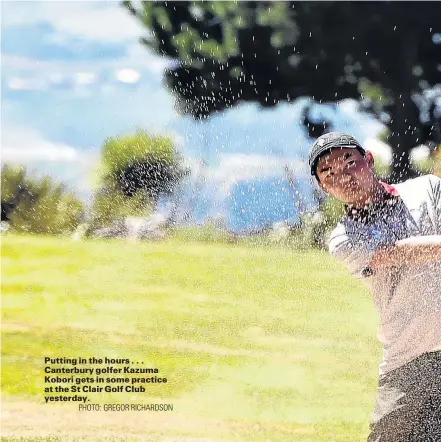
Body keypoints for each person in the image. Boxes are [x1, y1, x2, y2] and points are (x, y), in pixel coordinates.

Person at [308, 131, 441, 441]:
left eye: (348, 163)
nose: (342, 176)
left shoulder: (428, 188)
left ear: (368, 160)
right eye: (328, 173)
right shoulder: (343, 240)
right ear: (323, 187)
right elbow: (401, 252)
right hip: (409, 360)